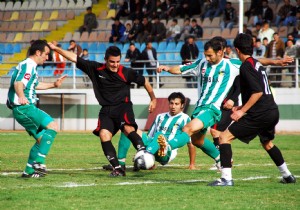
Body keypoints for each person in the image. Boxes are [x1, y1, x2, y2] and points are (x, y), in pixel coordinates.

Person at [48, 44, 157, 176]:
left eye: (117, 62)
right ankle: (118, 168)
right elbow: (74, 57)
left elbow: (144, 81)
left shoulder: (126, 72)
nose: (115, 65)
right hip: (106, 109)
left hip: (123, 106)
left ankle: (144, 153)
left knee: (128, 129)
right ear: (105, 59)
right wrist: (56, 49)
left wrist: (153, 98)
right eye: (112, 62)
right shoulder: (95, 68)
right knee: (104, 135)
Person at [209, 33, 296, 186]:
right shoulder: (255, 63)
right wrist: (242, 106)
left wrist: (241, 112)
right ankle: (287, 175)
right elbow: (259, 91)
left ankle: (226, 179)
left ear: (236, 49)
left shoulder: (246, 66)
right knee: (267, 143)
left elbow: (257, 92)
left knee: (224, 138)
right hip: (271, 111)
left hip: (260, 113)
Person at [157, 37, 241, 171]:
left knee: (187, 129)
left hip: (212, 109)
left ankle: (167, 146)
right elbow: (180, 69)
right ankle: (220, 159)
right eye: (205, 55)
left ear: (220, 52)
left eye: (209, 55)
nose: (207, 58)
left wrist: (276, 61)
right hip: (199, 108)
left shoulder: (231, 64)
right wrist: (167, 68)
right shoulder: (201, 63)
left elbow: (253, 63)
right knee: (197, 141)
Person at [6, 40, 67, 178]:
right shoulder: (28, 65)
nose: (47, 57)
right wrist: (21, 96)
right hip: (25, 108)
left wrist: (54, 84)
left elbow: (34, 84)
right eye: (46, 54)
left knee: (41, 140)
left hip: (22, 109)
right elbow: (19, 82)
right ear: (38, 52)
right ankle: (39, 162)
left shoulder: (29, 66)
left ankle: (28, 171)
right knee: (53, 126)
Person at [104, 92, 197, 171]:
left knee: (160, 135)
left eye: (176, 104)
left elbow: (190, 143)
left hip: (167, 152)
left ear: (182, 105)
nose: (173, 106)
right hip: (153, 144)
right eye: (171, 103)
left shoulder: (185, 119)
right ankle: (121, 163)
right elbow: (149, 135)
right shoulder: (160, 116)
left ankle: (145, 156)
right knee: (127, 128)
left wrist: (192, 164)